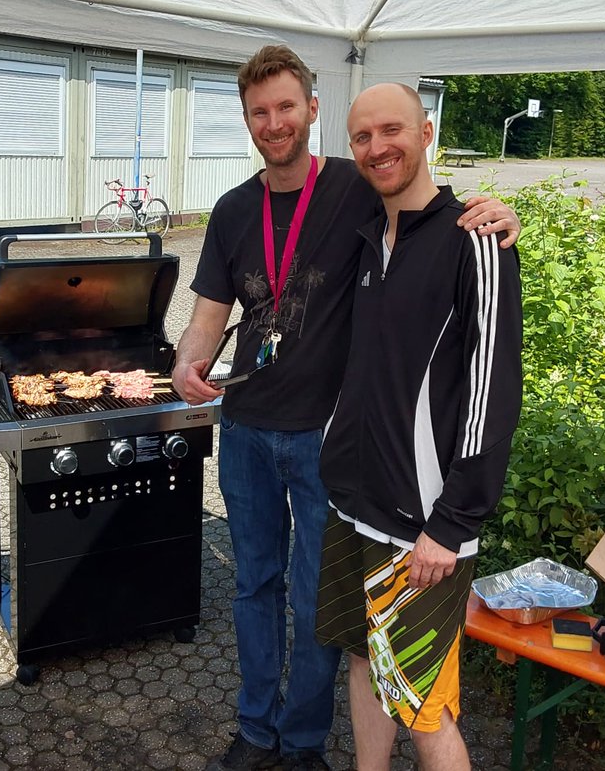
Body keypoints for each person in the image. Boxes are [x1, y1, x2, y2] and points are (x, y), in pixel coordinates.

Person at [172, 46, 520, 771]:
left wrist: (494, 208)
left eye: (286, 108)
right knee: (254, 586)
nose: (275, 124)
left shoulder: (356, 188)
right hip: (247, 432)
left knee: (315, 603)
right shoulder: (236, 210)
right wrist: (186, 359)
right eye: (260, 113)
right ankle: (257, 729)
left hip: (324, 440)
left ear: (311, 110)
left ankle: (301, 743)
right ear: (247, 120)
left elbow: (422, 196)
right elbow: (210, 310)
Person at [314, 83, 523, 771]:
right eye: (362, 137)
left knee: (424, 704)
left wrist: (453, 524)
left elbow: (494, 397)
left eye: (391, 130)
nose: (378, 147)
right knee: (363, 665)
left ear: (426, 131)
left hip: (424, 527)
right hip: (354, 504)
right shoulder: (368, 235)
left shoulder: (478, 241)